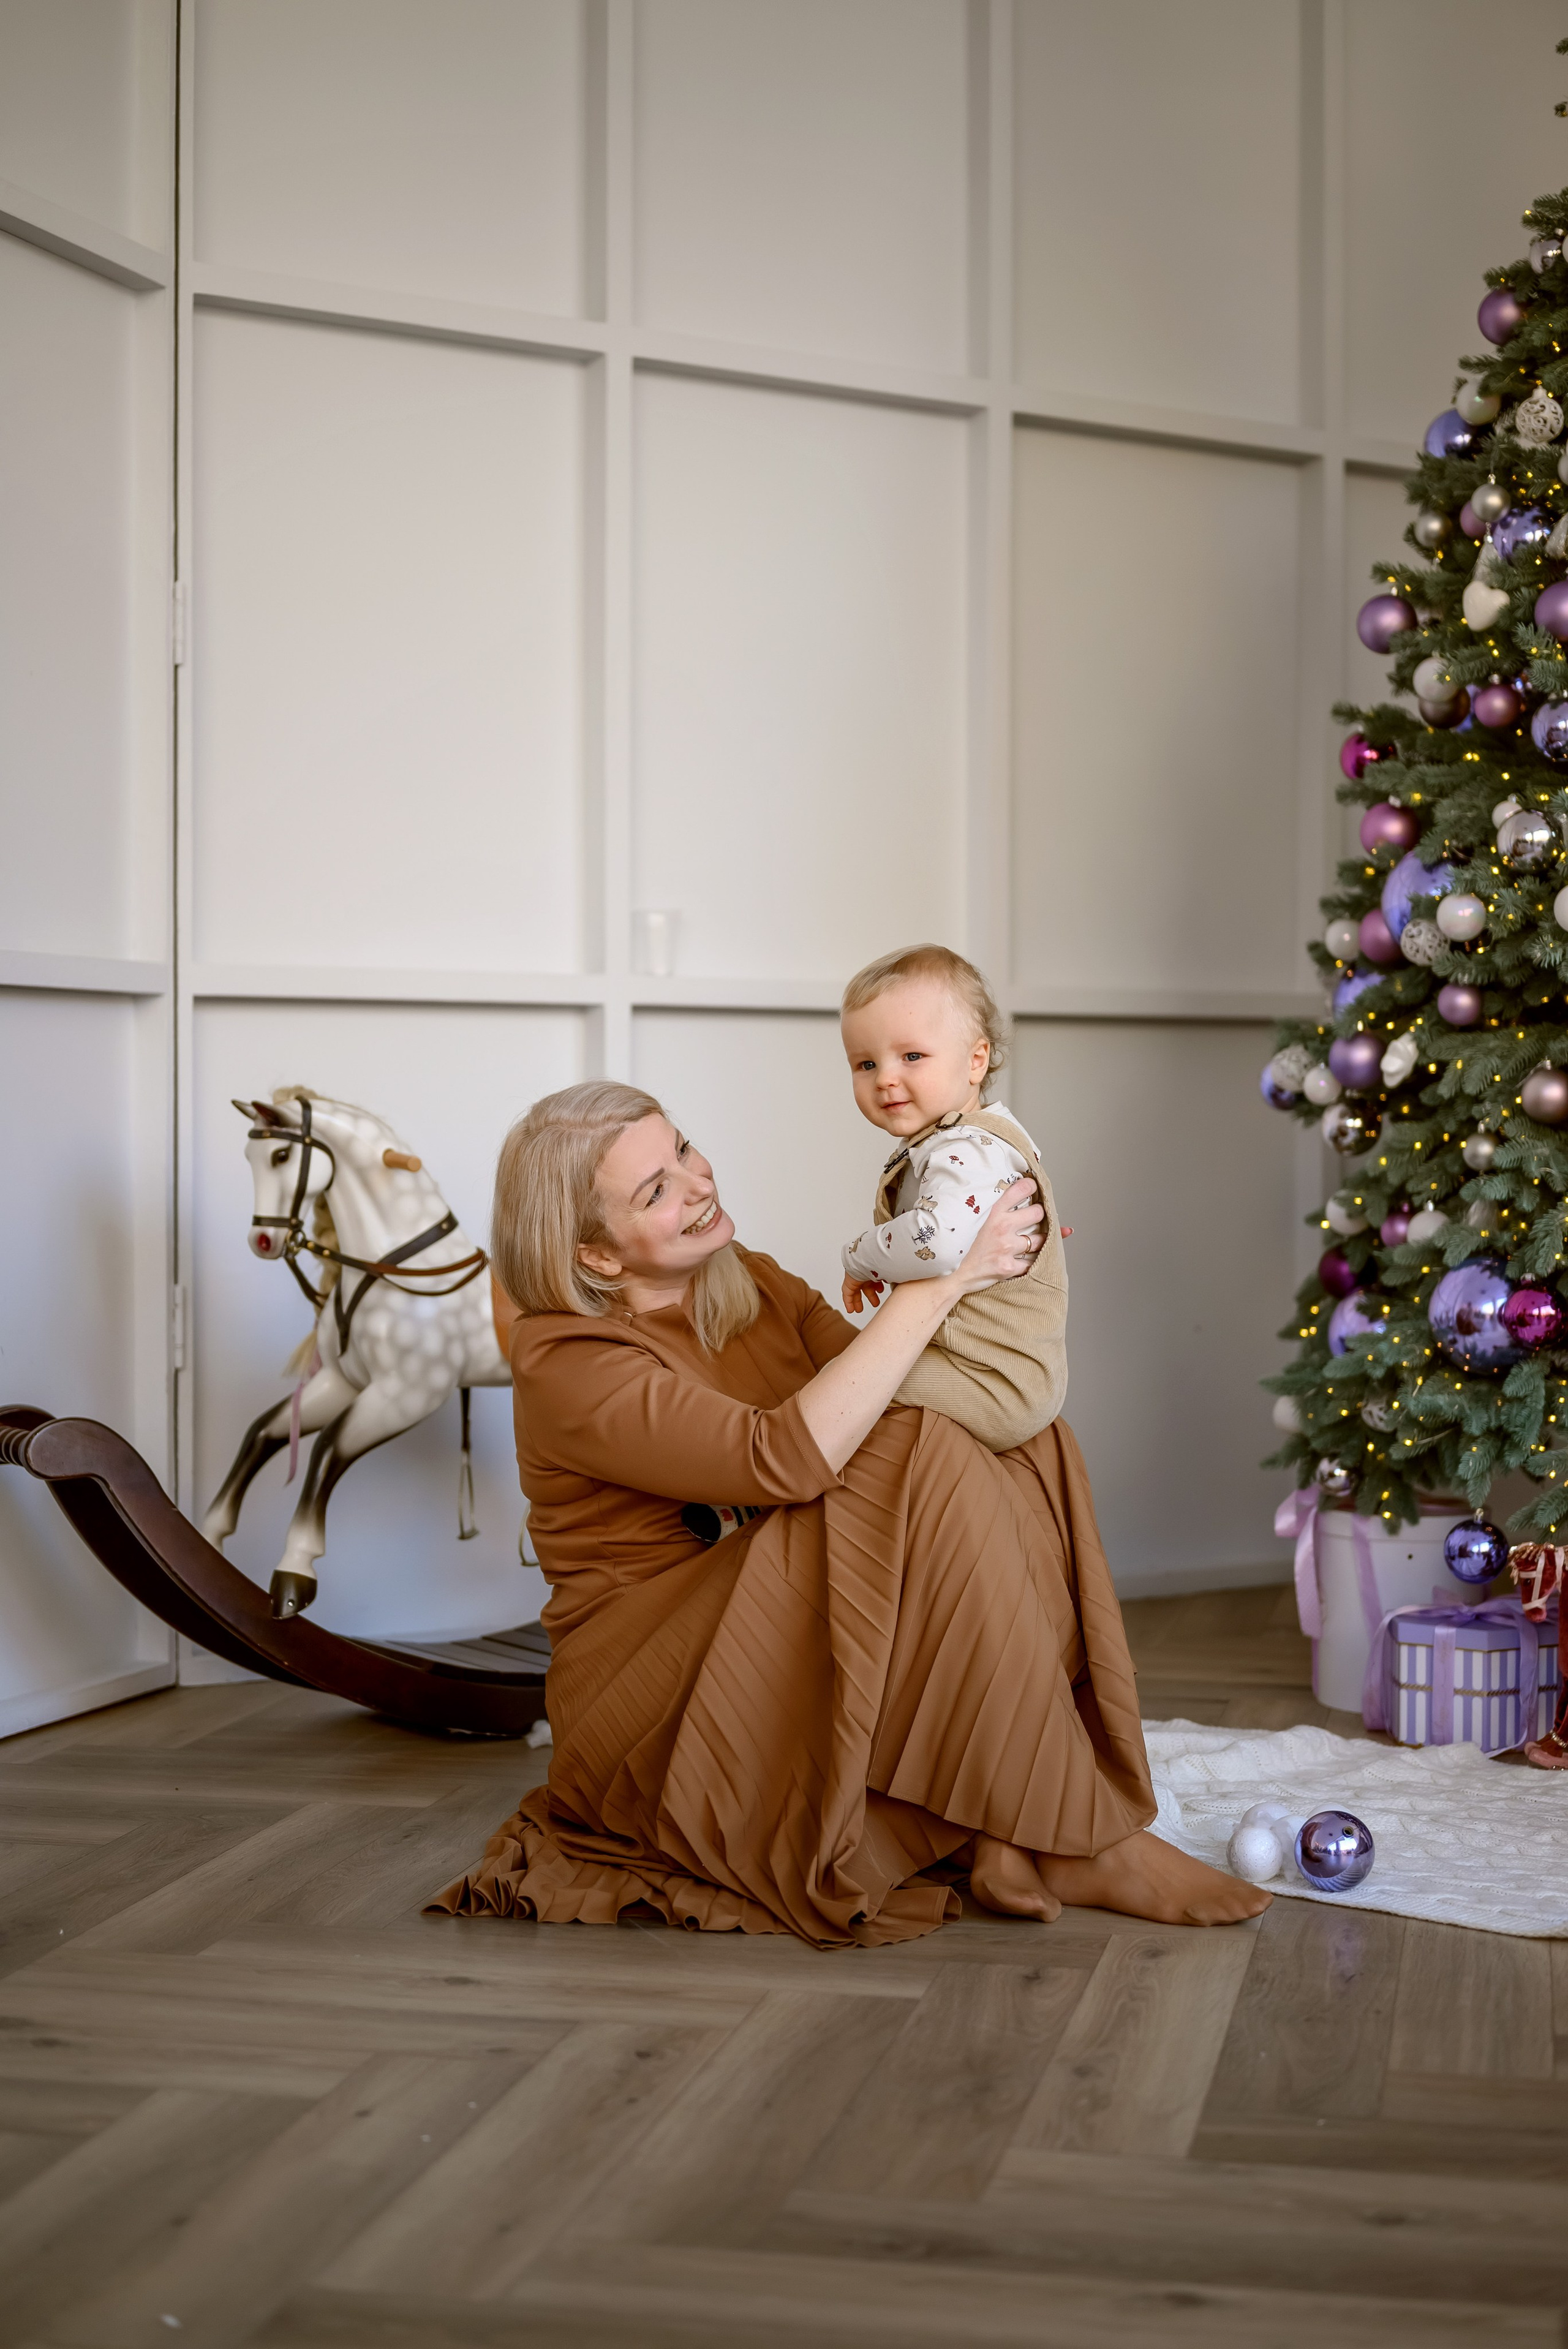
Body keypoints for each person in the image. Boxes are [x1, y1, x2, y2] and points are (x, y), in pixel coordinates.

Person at [430, 1080, 1268, 1947]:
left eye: (681, 1148)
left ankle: (1014, 1823)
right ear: (597, 1256)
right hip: (654, 1678)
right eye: (655, 1189)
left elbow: (894, 1386)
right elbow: (785, 1456)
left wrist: (1004, 1281)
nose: (697, 1180)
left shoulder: (744, 1276)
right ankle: (1074, 1835)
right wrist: (944, 1278)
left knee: (1019, 1436)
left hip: (770, 1601)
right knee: (924, 1449)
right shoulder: (568, 1358)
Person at [839, 943, 1067, 1454]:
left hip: (996, 1377)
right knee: (856, 1372)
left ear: (976, 1060)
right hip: (986, 1363)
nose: (886, 1078)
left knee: (847, 1387)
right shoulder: (965, 1139)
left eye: (912, 1056)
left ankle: (761, 1492)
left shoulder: (967, 1148)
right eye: (866, 1063)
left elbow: (937, 1243)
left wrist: (859, 1256)